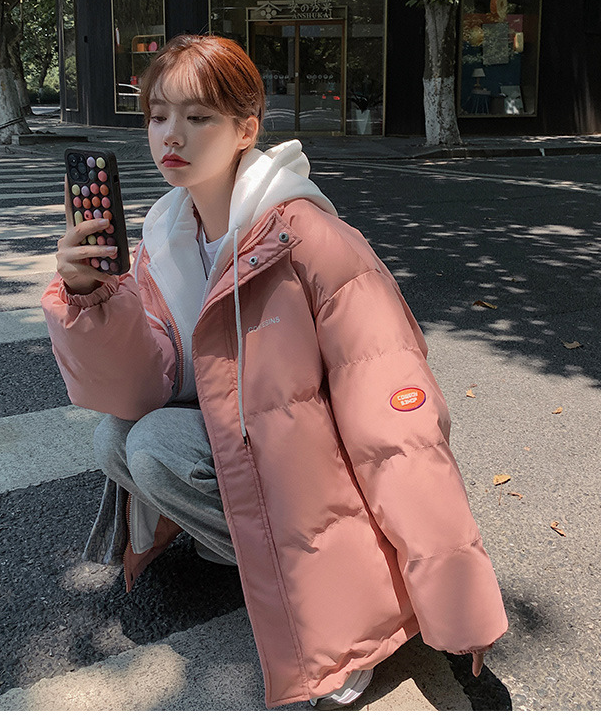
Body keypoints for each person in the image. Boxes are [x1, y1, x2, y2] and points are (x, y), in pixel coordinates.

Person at [42, 34, 508, 710]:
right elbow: (143, 388)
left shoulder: (310, 239)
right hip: (251, 454)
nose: (172, 134)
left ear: (246, 129)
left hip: (315, 480)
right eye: (158, 116)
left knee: (152, 445)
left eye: (198, 117)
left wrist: (456, 595)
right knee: (117, 437)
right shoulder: (164, 238)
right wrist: (93, 299)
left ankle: (349, 610)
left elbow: (398, 430)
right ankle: (265, 568)